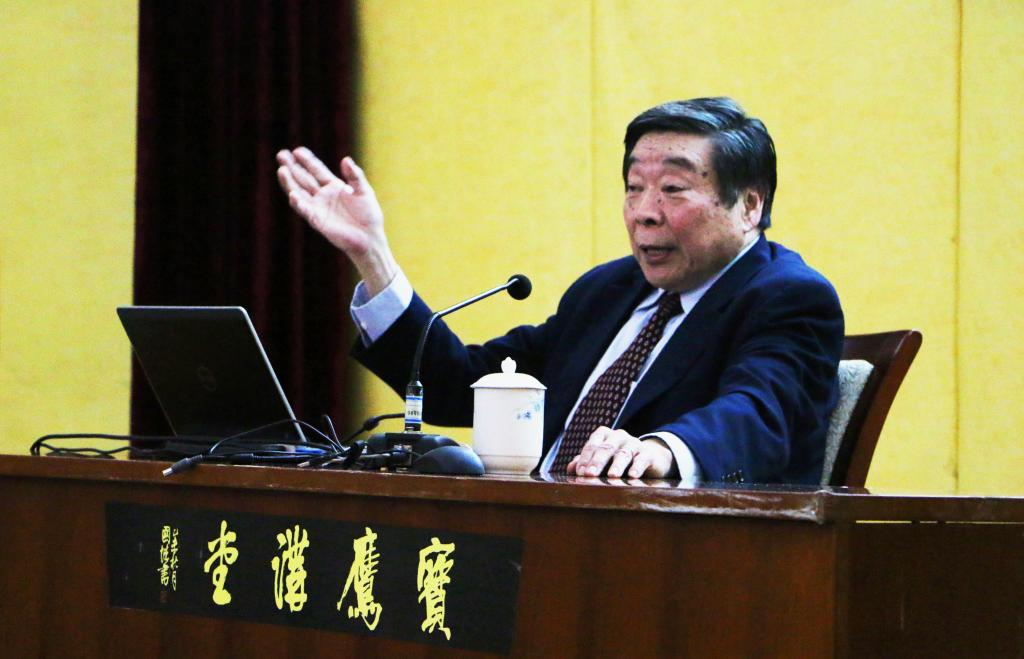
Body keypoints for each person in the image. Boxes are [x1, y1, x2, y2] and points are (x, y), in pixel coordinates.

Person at [276, 97, 844, 485]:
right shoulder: (608, 291)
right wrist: (371, 255)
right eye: (634, 187)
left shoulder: (788, 297)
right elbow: (457, 387)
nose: (644, 213)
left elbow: (757, 413)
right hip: (533, 528)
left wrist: (660, 449)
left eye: (673, 188)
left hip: (666, 552)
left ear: (750, 205)